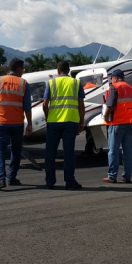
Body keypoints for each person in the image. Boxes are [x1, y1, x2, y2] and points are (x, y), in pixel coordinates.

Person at [0, 58, 32, 191]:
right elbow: (27, 107)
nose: (23, 71)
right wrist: (29, 123)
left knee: (0, 150)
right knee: (16, 150)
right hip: (17, 123)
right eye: (23, 68)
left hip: (1, 123)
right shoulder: (23, 83)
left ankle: (1, 179)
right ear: (18, 68)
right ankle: (11, 177)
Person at [42, 61, 85, 190]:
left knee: (50, 153)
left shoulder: (51, 83)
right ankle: (70, 181)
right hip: (71, 122)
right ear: (69, 70)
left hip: (53, 122)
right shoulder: (76, 83)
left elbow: (44, 104)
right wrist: (81, 121)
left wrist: (48, 117)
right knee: (69, 153)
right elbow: (81, 105)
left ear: (57, 70)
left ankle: (50, 181)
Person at [102, 69, 132, 183]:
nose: (111, 80)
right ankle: (127, 176)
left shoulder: (114, 88)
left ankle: (112, 176)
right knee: (128, 150)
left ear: (115, 78)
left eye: (111, 78)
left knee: (113, 150)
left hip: (117, 123)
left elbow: (110, 105)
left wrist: (105, 116)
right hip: (130, 123)